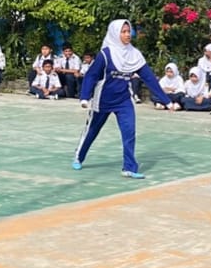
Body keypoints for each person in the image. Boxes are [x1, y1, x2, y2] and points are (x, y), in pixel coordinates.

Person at [73, 20, 172, 179]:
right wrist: (85, 97)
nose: (127, 35)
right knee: (92, 130)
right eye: (123, 32)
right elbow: (91, 76)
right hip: (103, 100)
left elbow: (149, 78)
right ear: (115, 33)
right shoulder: (105, 54)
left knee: (129, 132)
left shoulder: (134, 55)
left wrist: (166, 100)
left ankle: (129, 167)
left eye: (128, 31)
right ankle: (79, 155)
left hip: (124, 100)